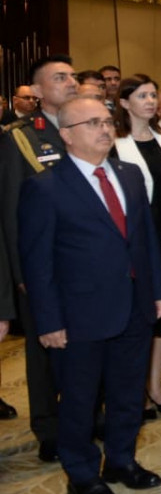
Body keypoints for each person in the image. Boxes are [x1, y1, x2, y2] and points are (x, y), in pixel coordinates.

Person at [19, 97, 161, 494]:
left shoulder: (131, 175)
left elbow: (145, 241)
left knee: (126, 394)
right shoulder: (43, 187)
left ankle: (121, 461)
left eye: (107, 121)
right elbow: (38, 264)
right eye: (92, 123)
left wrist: (157, 289)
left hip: (134, 307)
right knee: (80, 401)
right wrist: (48, 321)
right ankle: (82, 473)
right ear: (66, 134)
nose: (105, 129)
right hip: (78, 316)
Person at [0, 55, 77, 459]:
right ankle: (48, 427)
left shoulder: (87, 128)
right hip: (42, 265)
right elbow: (11, 211)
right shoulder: (21, 138)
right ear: (40, 91)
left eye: (73, 76)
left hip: (83, 262)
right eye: (60, 78)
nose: (71, 82)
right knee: (44, 351)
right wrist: (21, 272)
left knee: (85, 343)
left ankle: (84, 414)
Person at [112, 75, 161, 417]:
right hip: (135, 234)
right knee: (138, 314)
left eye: (153, 95)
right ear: (124, 103)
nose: (151, 101)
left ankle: (155, 385)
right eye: (142, 96)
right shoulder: (114, 142)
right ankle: (133, 389)